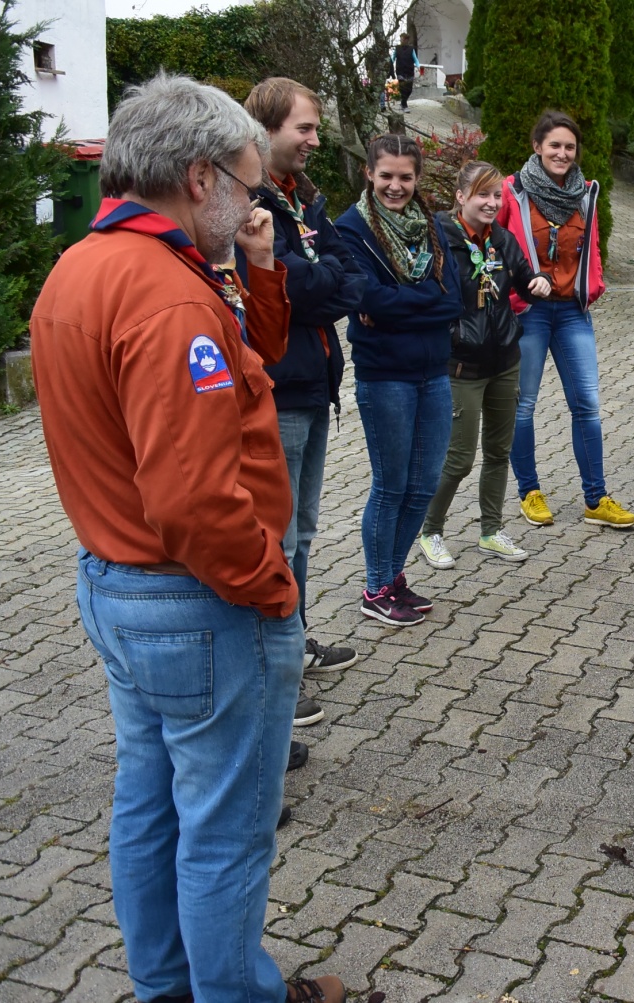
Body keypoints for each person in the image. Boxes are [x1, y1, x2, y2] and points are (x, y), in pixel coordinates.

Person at [29, 73, 345, 1003]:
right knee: (225, 829)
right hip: (197, 600)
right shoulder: (168, 298)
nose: (253, 208)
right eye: (247, 185)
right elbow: (196, 499)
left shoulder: (79, 269)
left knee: (151, 804)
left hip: (118, 585)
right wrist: (272, 587)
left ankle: (167, 986)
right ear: (200, 177)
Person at [239, 76, 367, 723]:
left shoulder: (302, 197)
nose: (316, 139)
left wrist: (319, 281)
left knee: (304, 534)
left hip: (316, 387)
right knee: (279, 539)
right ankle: (273, 674)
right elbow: (289, 287)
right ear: (266, 131)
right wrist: (318, 282)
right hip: (280, 392)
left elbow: (350, 278)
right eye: (305, 128)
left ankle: (294, 644)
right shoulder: (250, 204)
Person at [336, 133, 464, 627]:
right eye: (386, 175)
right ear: (369, 173)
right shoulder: (351, 229)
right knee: (391, 486)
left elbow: (454, 299)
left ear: (417, 178)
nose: (395, 186)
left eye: (405, 177)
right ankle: (376, 588)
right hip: (385, 375)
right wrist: (423, 303)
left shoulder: (430, 225)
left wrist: (400, 307)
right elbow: (370, 300)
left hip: (433, 373)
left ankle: (392, 576)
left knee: (424, 484)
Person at [498, 110, 634, 530]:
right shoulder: (512, 191)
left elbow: (591, 246)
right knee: (523, 405)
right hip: (529, 312)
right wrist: (512, 290)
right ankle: (529, 492)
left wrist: (592, 286)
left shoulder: (585, 193)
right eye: (554, 145)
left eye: (569, 147)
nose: (562, 153)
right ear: (537, 147)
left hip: (572, 313)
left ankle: (596, 499)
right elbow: (495, 244)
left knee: (587, 405)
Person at [418, 161, 551, 568]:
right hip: (462, 367)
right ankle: (430, 531)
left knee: (498, 452)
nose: (492, 203)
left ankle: (491, 531)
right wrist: (453, 334)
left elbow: (527, 278)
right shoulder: (440, 239)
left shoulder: (503, 240)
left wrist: (540, 281)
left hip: (505, 360)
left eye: (497, 195)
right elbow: (427, 295)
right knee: (458, 458)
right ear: (461, 196)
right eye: (482, 195)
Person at [393, 32, 419, 112]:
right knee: (403, 89)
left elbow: (415, 59)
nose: (401, 40)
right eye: (401, 39)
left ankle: (402, 103)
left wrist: (418, 66)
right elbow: (392, 58)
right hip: (400, 71)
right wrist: (389, 65)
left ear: (406, 40)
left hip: (409, 71)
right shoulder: (397, 48)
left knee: (409, 90)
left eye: (403, 39)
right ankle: (405, 106)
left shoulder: (411, 49)